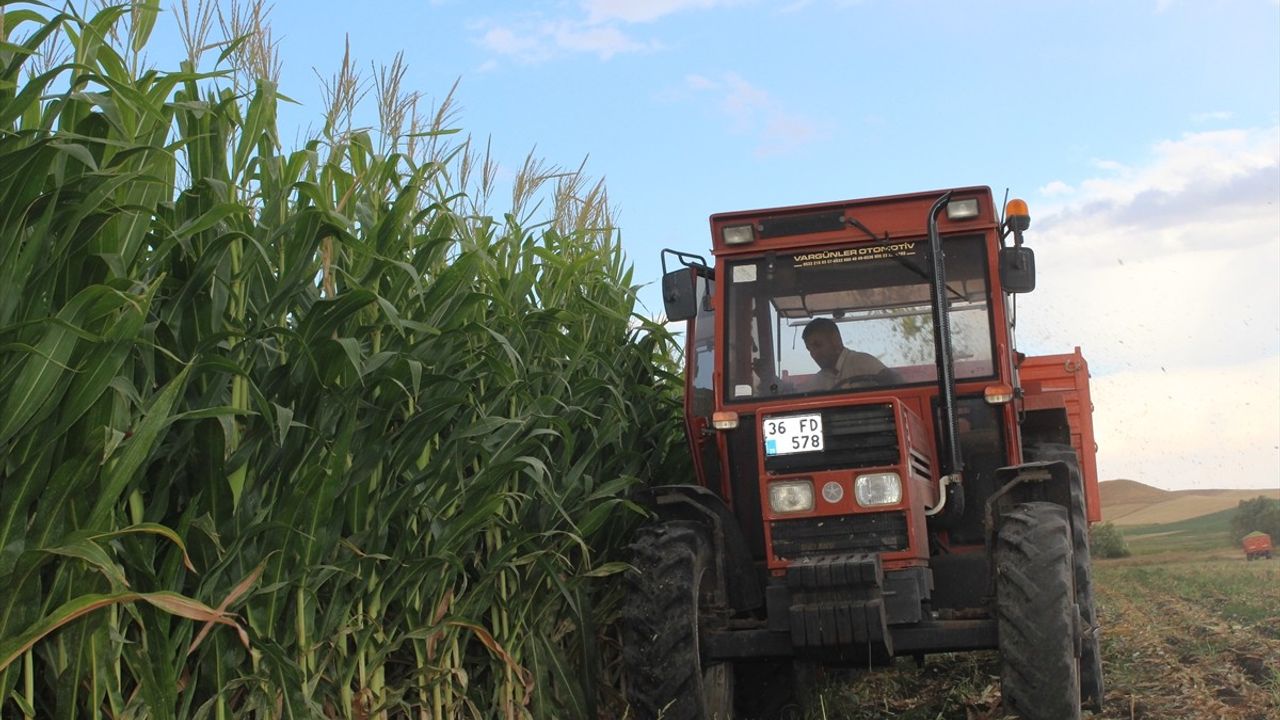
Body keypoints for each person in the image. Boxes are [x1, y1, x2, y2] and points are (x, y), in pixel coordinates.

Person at [799, 318, 898, 391]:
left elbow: (896, 385)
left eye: (818, 345)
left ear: (835, 340)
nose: (813, 354)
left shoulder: (864, 363)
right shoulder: (817, 382)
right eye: (809, 350)